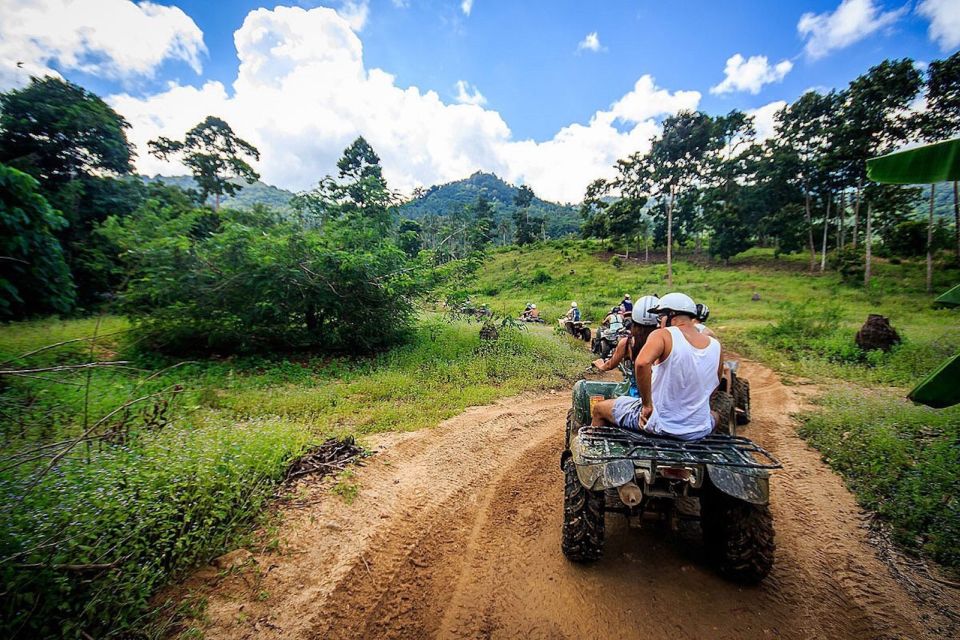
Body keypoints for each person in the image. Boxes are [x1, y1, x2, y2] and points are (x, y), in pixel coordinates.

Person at [591, 292, 721, 441]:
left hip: (660, 424)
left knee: (599, 409)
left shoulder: (663, 335)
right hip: (699, 427)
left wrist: (647, 405)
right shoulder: (715, 345)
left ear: (671, 315)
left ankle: (595, 452)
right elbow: (714, 383)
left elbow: (642, 363)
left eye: (660, 317)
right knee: (716, 416)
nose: (659, 323)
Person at [591, 295, 660, 398]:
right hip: (663, 396)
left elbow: (609, 365)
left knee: (598, 409)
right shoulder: (668, 342)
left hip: (636, 396)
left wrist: (601, 364)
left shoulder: (627, 343)